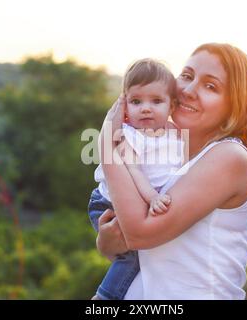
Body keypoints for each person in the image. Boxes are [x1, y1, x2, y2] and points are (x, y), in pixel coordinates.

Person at [95, 43, 247, 299]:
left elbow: (139, 233)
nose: (189, 90)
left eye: (210, 86)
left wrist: (106, 145)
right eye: (187, 76)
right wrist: (106, 244)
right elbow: (152, 253)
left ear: (235, 107)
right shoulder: (171, 157)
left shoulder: (230, 157)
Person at [88, 58, 185, 300]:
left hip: (140, 203)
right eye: (136, 101)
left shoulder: (175, 134)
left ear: (172, 105)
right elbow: (134, 171)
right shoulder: (130, 136)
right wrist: (153, 197)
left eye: (156, 101)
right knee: (134, 255)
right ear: (125, 108)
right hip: (108, 204)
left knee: (146, 255)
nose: (145, 108)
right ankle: (104, 298)